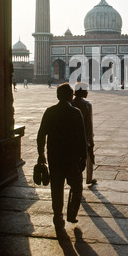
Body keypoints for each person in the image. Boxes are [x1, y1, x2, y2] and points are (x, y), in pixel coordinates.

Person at [37, 82, 87, 237]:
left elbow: (40, 136)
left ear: (57, 96)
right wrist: (83, 158)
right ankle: (71, 213)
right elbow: (81, 138)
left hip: (55, 158)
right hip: (72, 158)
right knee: (77, 186)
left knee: (56, 188)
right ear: (71, 96)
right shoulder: (76, 113)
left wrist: (41, 154)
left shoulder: (50, 112)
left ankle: (57, 216)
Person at [72, 81, 97, 186]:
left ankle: (75, 179)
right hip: (85, 137)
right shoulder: (87, 105)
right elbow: (89, 124)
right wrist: (90, 140)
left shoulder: (71, 103)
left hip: (73, 137)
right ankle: (89, 178)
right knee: (89, 158)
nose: (87, 92)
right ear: (82, 91)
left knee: (75, 160)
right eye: (86, 90)